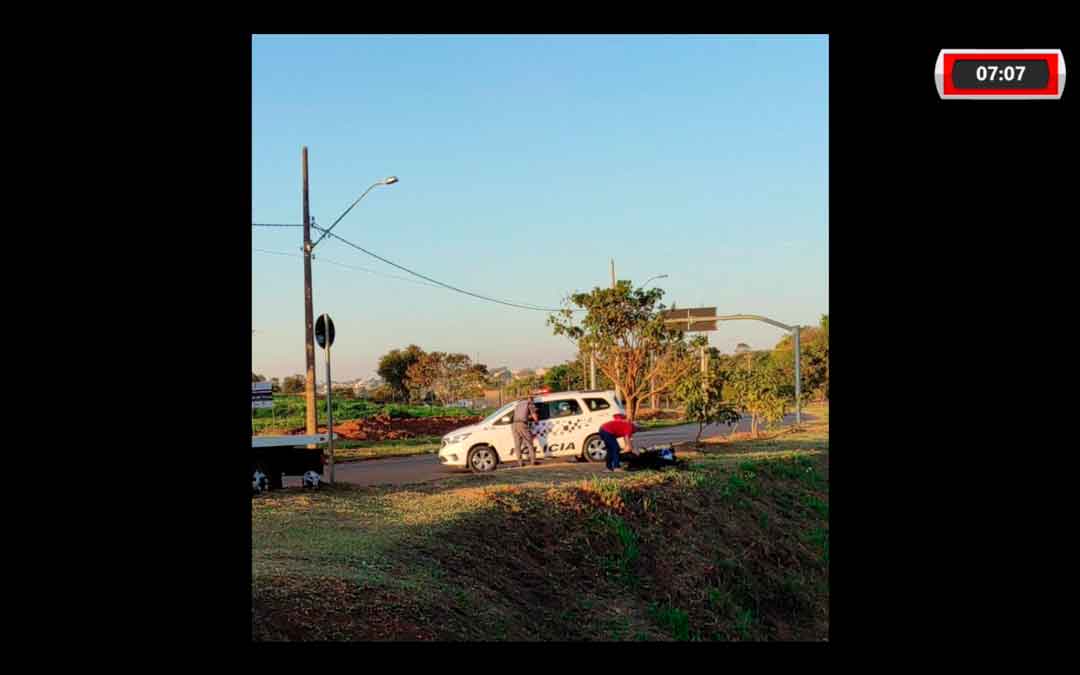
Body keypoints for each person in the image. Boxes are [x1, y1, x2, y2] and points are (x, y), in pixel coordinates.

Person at [512, 394, 540, 467]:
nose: (533, 400)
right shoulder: (529, 403)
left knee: (517, 444)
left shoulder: (518, 404)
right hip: (522, 425)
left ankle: (520, 463)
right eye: (532, 399)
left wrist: (528, 417)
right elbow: (534, 415)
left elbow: (521, 414)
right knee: (529, 442)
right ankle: (533, 461)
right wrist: (536, 421)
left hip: (514, 425)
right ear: (530, 399)